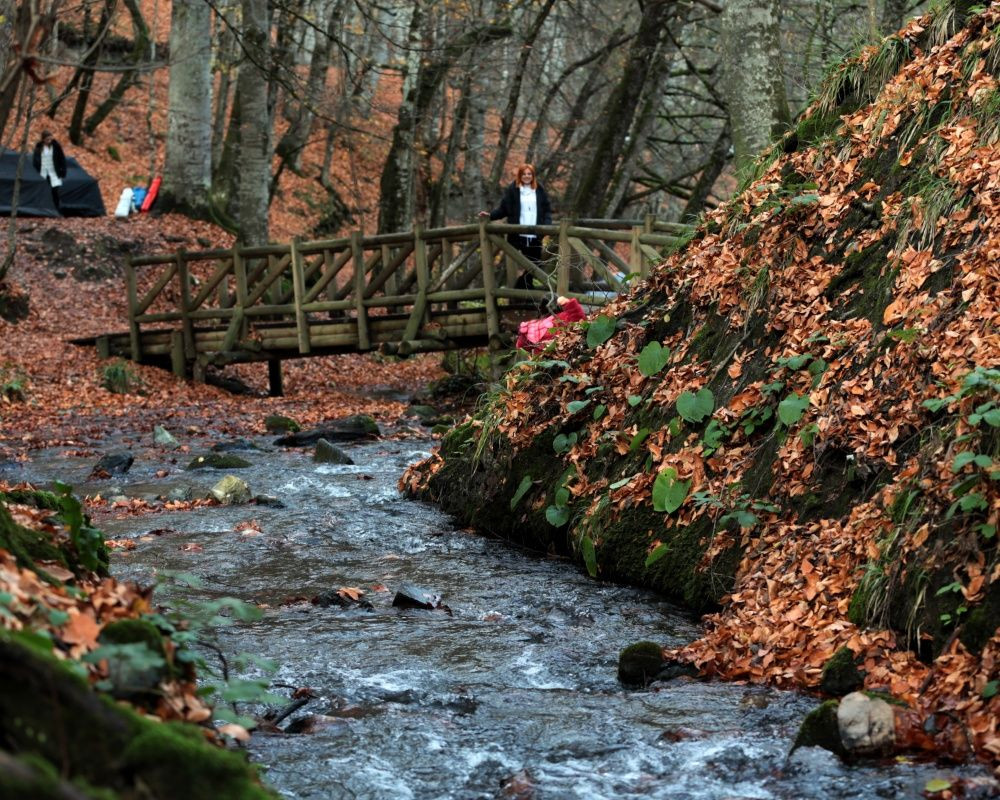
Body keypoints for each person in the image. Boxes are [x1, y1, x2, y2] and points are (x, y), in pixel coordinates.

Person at [479, 163, 553, 277]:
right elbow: (503, 209)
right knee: (514, 265)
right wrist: (489, 215)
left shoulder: (539, 190)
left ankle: (521, 289)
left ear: (533, 176)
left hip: (535, 235)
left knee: (535, 267)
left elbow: (547, 210)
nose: (527, 176)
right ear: (520, 175)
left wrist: (547, 226)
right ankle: (517, 290)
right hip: (517, 235)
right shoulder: (513, 189)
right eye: (524, 174)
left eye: (529, 174)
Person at [32, 130, 67, 212]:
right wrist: (38, 168)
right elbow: (35, 160)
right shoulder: (39, 147)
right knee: (44, 190)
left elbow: (61, 158)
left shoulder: (56, 147)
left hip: (54, 172)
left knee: (55, 190)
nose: (49, 141)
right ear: (43, 139)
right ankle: (43, 208)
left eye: (50, 139)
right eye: (47, 139)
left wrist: (62, 170)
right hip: (43, 172)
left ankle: (56, 208)